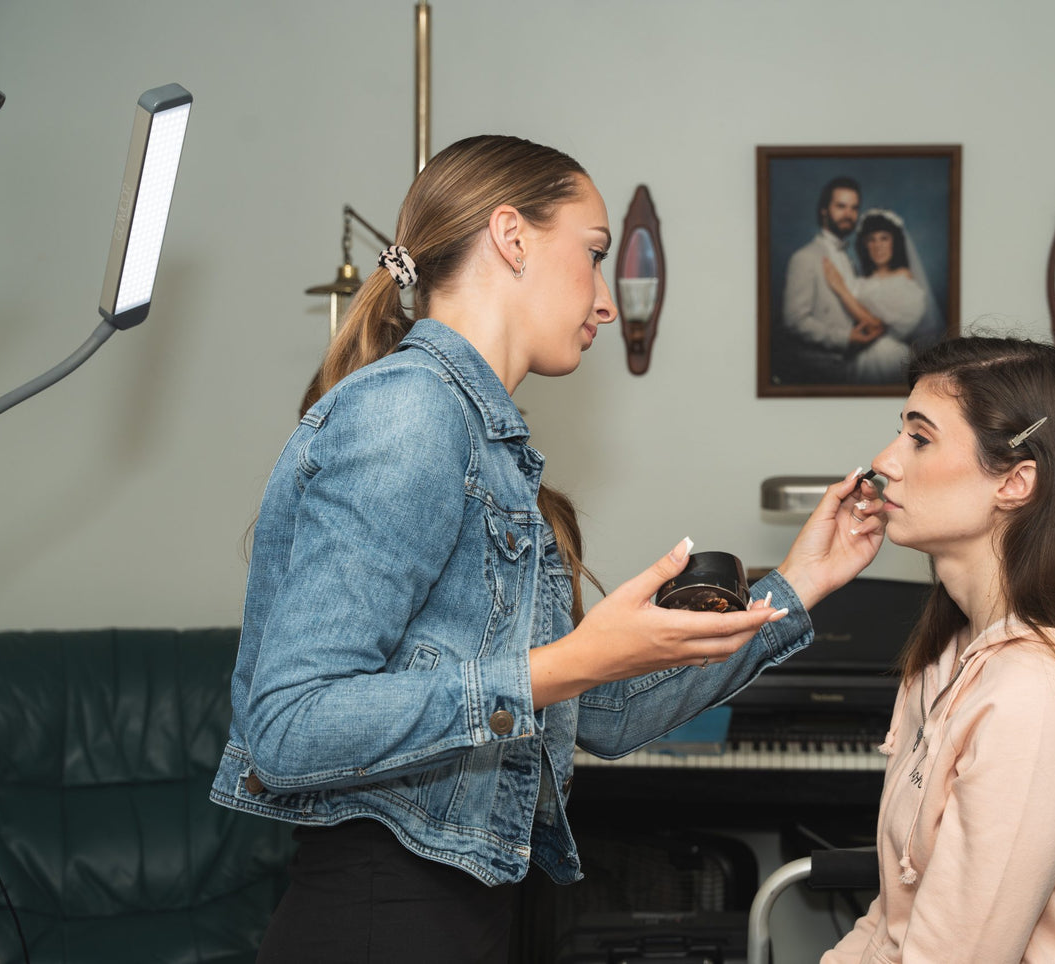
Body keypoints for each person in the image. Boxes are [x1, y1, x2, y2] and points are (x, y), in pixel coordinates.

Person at [208, 134, 886, 962]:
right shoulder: (411, 413)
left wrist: (801, 583)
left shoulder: (484, 442)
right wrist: (561, 664)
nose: (605, 302)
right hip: (381, 921)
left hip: (459, 915)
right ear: (511, 236)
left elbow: (599, 713)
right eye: (594, 255)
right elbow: (288, 727)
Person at [823, 336, 1055, 963]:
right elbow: (891, 921)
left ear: (1016, 483)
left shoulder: (1036, 695)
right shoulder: (950, 650)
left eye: (920, 438)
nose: (885, 460)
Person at [779, 176, 884, 383]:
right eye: (841, 206)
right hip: (819, 368)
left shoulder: (849, 257)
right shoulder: (805, 258)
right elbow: (794, 322)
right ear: (824, 210)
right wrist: (845, 339)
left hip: (851, 363)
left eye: (854, 208)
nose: (849, 214)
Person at [821, 208, 942, 384]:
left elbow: (876, 327)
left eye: (884, 238)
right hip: (856, 358)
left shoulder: (905, 281)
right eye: (871, 240)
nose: (878, 245)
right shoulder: (861, 281)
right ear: (864, 244)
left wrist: (841, 289)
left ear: (895, 242)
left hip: (887, 358)